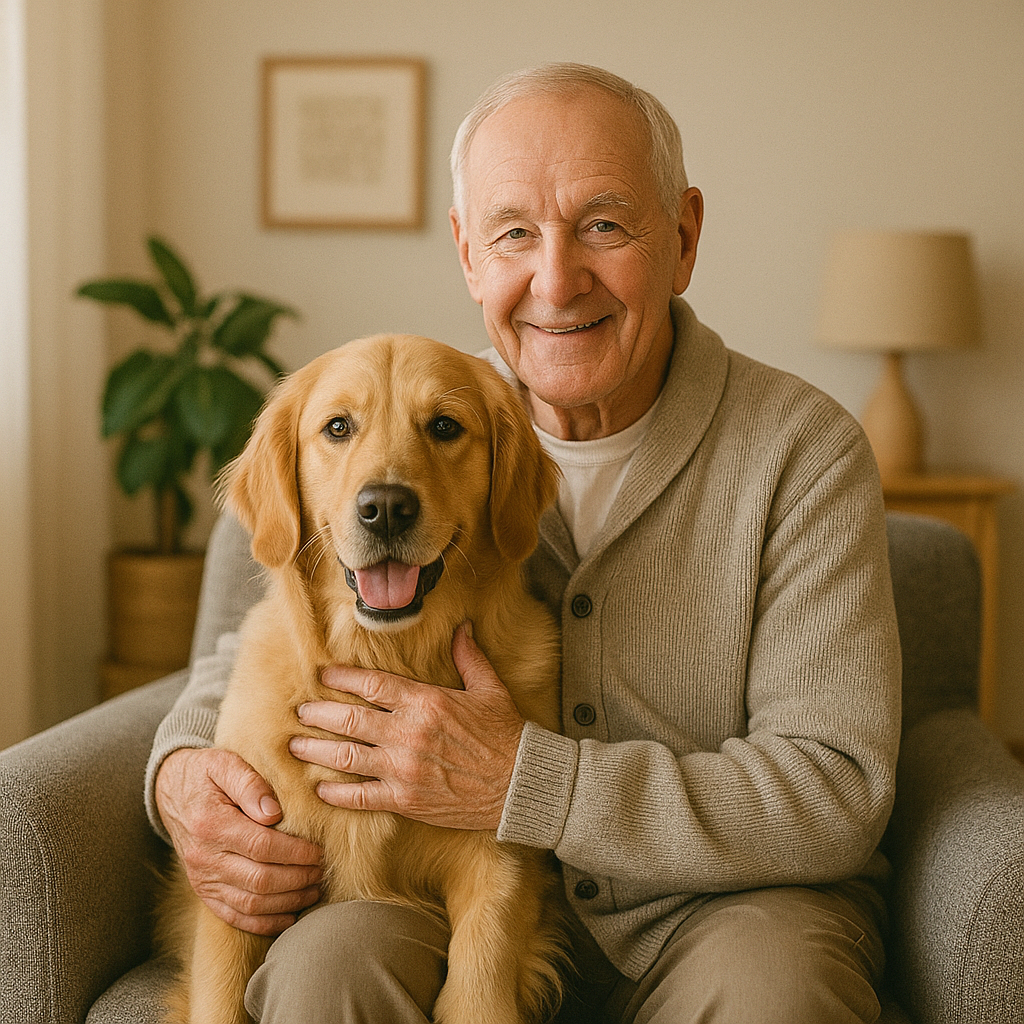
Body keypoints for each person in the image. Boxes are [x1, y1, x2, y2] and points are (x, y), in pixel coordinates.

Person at [146, 63, 901, 1023]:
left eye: (604, 225)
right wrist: (181, 772)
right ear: (468, 253)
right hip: (433, 893)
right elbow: (275, 638)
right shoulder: (433, 428)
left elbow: (834, 792)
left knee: (773, 994)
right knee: (327, 968)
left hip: (723, 909)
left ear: (684, 238)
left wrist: (531, 783)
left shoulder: (804, 452)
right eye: (513, 233)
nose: (556, 278)